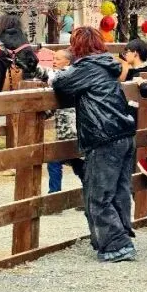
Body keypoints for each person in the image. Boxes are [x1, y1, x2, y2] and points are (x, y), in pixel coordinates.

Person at [53, 26, 138, 263]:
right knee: (119, 190)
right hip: (124, 133)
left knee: (98, 194)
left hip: (104, 136)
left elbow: (60, 83)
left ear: (77, 47)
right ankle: (120, 235)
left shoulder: (87, 67)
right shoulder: (107, 64)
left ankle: (117, 244)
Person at [42, 50, 85, 194]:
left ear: (67, 61)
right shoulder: (62, 80)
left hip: (75, 129)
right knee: (58, 160)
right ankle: (55, 193)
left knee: (77, 163)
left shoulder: (66, 76)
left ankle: (56, 194)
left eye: (58, 59)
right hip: (66, 130)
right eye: (54, 58)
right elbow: (57, 102)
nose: (54, 61)